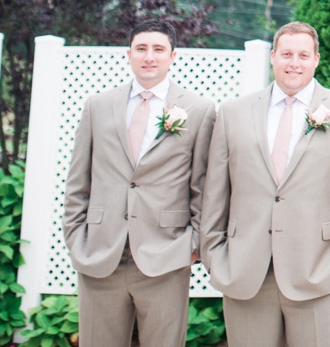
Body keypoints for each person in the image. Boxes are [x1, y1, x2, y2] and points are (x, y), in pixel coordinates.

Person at [202, 21, 330, 347]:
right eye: (286, 54)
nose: (294, 63)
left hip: (321, 271)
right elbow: (215, 192)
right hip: (245, 271)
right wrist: (214, 254)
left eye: (303, 55)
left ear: (316, 59)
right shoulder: (232, 113)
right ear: (272, 57)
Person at [63, 23, 216, 347]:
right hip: (102, 253)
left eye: (158, 49)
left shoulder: (199, 110)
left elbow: (204, 186)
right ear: (129, 54)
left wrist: (194, 243)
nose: (149, 57)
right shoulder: (98, 105)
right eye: (141, 49)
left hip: (166, 255)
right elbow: (79, 179)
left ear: (172, 56)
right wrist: (76, 237)